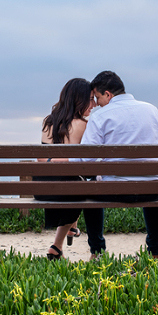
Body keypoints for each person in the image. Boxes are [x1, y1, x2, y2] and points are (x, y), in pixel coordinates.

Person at [75, 71, 158, 258]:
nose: (96, 103)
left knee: (89, 190)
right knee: (152, 181)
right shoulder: (152, 110)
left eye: (97, 97)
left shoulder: (100, 116)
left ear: (108, 94)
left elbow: (86, 159)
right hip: (153, 190)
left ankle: (97, 252)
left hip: (115, 189)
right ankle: (155, 252)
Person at [34, 78, 96, 260]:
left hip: (42, 189)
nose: (93, 105)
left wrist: (54, 161)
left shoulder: (48, 122)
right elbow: (86, 163)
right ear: (79, 99)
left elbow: (41, 159)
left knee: (73, 182)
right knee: (82, 186)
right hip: (68, 190)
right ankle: (64, 237)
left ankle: (63, 238)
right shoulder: (84, 125)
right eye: (90, 99)